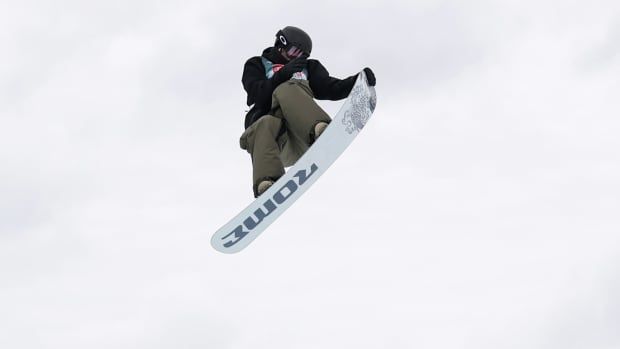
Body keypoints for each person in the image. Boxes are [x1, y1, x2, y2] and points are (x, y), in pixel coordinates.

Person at [240, 26, 376, 197]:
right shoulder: (257, 65)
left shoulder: (308, 68)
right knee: (262, 123)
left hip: (302, 134)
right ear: (280, 45)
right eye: (293, 52)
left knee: (288, 89)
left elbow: (330, 88)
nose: (295, 58)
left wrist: (358, 81)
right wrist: (281, 75)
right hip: (277, 144)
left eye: (301, 55)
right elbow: (258, 95)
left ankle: (319, 130)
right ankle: (267, 182)